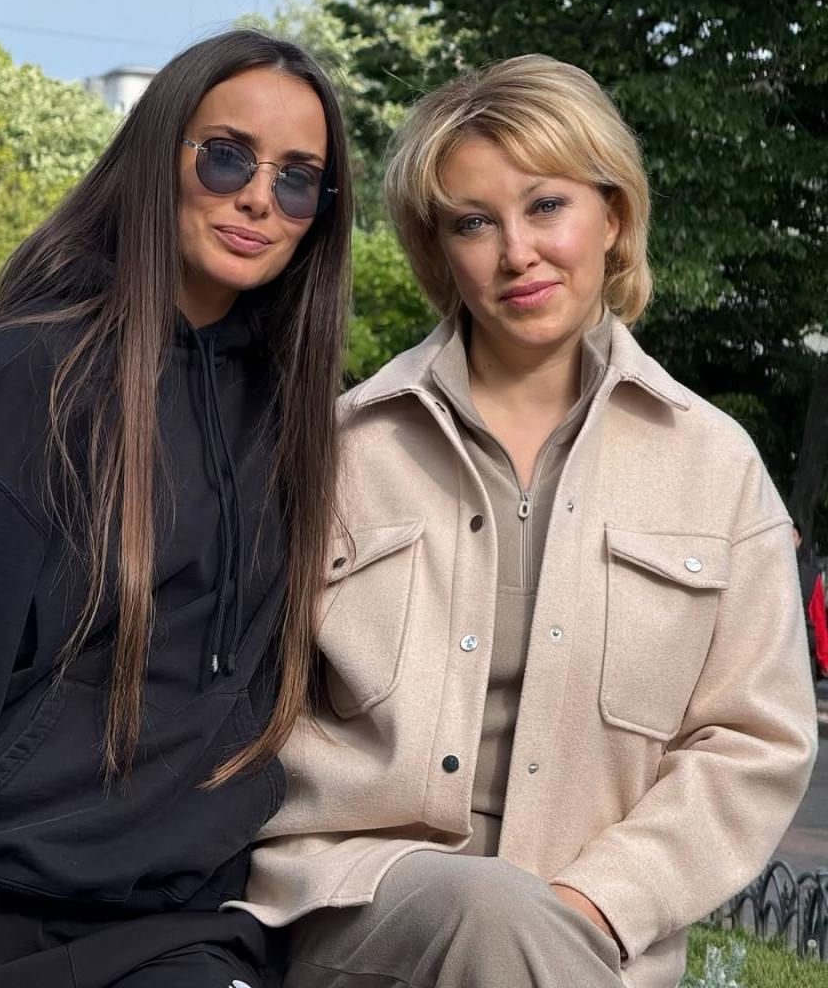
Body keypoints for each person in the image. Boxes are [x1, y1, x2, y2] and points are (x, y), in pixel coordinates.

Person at [233, 56, 817, 988]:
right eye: (474, 222)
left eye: (547, 206)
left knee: (512, 925)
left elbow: (753, 742)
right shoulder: (337, 452)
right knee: (491, 910)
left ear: (612, 217)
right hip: (362, 912)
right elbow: (248, 703)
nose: (517, 252)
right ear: (439, 250)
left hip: (592, 942)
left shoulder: (715, 466)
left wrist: (595, 903)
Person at [0, 30, 352, 988]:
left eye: (299, 179)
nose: (260, 198)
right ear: (159, 153)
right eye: (227, 156)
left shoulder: (299, 420)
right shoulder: (26, 375)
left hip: (179, 928)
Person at [793, 520, 828, 684]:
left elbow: (818, 619)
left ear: (799, 540)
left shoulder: (810, 576)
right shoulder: (763, 572)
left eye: (792, 535)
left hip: (804, 654)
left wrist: (824, 658)